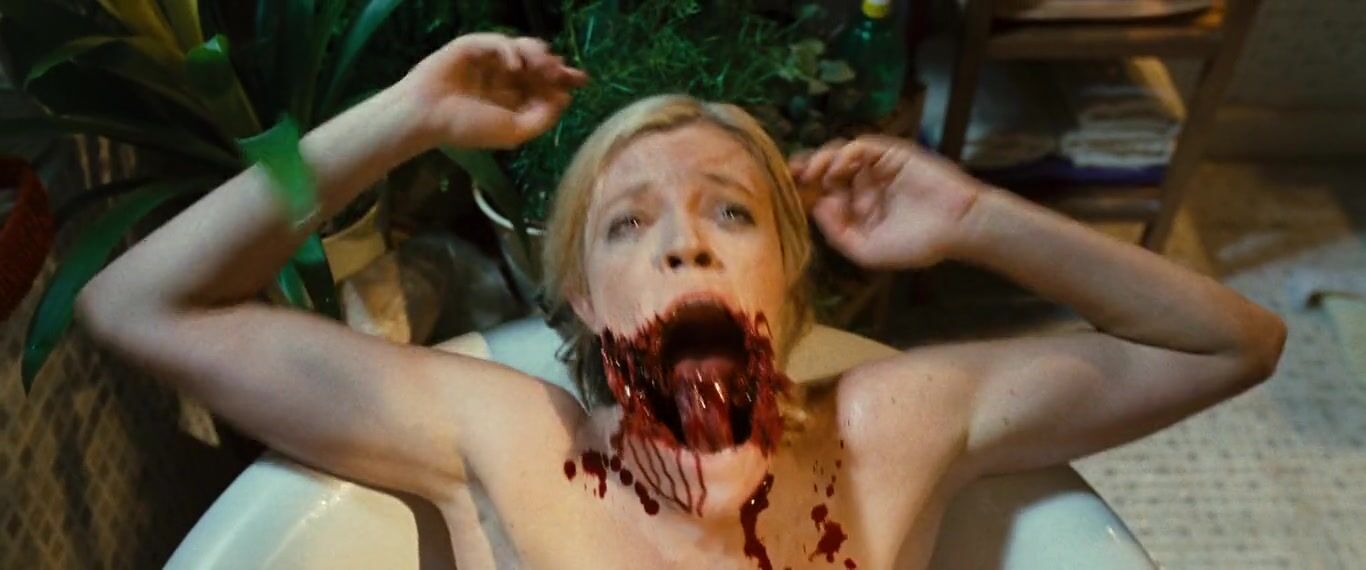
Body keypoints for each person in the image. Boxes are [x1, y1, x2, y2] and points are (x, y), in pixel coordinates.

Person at [77, 33, 1285, 569]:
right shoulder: (508, 439)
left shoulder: (890, 428)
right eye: (626, 223)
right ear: (582, 297)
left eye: (731, 212)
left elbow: (1230, 344)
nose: (682, 244)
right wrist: (402, 119)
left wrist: (976, 218)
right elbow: (139, 306)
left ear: (785, 277)